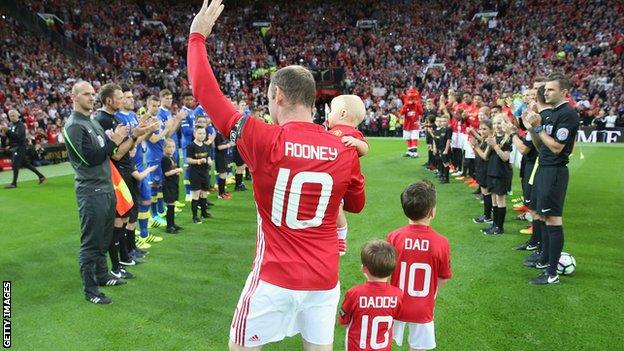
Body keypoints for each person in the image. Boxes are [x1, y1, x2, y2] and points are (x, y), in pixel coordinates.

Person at [188, 1, 366, 349]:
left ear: (278, 96)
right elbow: (356, 205)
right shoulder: (344, 149)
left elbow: (205, 93)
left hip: (273, 277)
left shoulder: (262, 137)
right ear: (313, 102)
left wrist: (197, 37)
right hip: (323, 279)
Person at [62, 81, 144, 304]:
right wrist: (114, 141)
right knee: (91, 241)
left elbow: (111, 153)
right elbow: (91, 157)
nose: (91, 97)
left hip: (106, 188)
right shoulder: (74, 126)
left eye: (92, 94)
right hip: (91, 191)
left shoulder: (91, 123)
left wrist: (129, 136)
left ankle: (102, 275)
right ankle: (90, 290)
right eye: (85, 94)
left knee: (105, 237)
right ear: (74, 97)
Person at [523, 75, 579, 285]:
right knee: (543, 217)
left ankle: (552, 273)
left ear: (564, 92)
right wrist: (532, 127)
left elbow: (556, 148)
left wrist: (538, 128)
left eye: (551, 90)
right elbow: (541, 147)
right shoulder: (549, 114)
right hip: (543, 169)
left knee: (553, 219)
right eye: (545, 90)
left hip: (555, 172)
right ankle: (545, 260)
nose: (545, 93)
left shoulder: (568, 115)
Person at [387, 181, 452, 351]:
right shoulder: (441, 242)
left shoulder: (394, 237)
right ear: (432, 211)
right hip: (423, 307)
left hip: (395, 303)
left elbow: (385, 271)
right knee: (419, 347)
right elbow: (442, 279)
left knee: (384, 342)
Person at [338, 240, 403, 351]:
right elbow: (396, 316)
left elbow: (343, 320)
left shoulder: (354, 294)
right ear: (392, 269)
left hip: (357, 347)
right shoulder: (398, 294)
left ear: (364, 268)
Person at [326, 94, 368, 256]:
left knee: (336, 208)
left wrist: (357, 144)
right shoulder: (330, 132)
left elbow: (365, 148)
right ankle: (334, 233)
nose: (328, 115)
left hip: (346, 180)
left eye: (330, 111)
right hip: (334, 178)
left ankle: (341, 236)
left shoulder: (352, 133)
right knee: (333, 208)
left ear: (342, 114)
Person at [482, 114, 513, 235]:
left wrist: (494, 145)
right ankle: (494, 225)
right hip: (491, 171)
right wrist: (490, 145)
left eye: (499, 123)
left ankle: (500, 227)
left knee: (500, 199)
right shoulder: (493, 137)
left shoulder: (507, 139)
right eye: (495, 124)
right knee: (494, 199)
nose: (497, 126)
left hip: (501, 173)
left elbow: (505, 157)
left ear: (505, 123)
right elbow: (486, 156)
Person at [1, 109, 45, 188]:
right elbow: (11, 137)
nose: (11, 117)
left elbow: (19, 137)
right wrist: (5, 132)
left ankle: (14, 184)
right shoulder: (10, 124)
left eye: (13, 115)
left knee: (15, 164)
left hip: (20, 147)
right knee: (26, 164)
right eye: (10, 116)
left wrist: (8, 131)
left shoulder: (20, 125)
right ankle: (41, 176)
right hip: (14, 146)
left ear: (17, 115)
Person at [186, 126, 213, 223]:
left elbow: (208, 157)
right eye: (200, 133)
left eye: (203, 133)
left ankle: (204, 213)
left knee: (204, 193)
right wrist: (198, 161)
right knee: (196, 195)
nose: (202, 135)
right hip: (195, 174)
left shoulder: (206, 146)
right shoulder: (191, 146)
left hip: (205, 173)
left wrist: (209, 161)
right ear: (194, 134)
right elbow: (188, 160)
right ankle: (194, 216)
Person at [470, 120, 494, 225]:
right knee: (484, 193)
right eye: (480, 129)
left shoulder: (490, 140)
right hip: (481, 168)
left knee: (487, 193)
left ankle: (488, 216)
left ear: (491, 130)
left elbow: (485, 156)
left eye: (485, 129)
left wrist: (476, 146)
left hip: (486, 169)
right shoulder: (484, 139)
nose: (482, 131)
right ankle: (486, 214)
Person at [162, 138, 184, 233]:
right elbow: (166, 173)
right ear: (164, 148)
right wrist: (177, 170)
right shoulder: (165, 159)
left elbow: (173, 169)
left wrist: (176, 172)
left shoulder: (172, 158)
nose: (172, 149)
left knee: (172, 205)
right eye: (169, 147)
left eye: (173, 147)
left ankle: (172, 224)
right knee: (170, 206)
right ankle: (169, 226)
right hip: (168, 186)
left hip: (174, 185)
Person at [400, 88, 423, 158]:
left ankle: (415, 153)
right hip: (407, 124)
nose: (412, 100)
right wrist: (406, 105)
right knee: (408, 138)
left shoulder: (417, 105)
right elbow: (401, 113)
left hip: (415, 124)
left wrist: (417, 104)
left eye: (413, 98)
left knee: (414, 138)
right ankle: (410, 152)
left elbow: (421, 112)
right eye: (411, 98)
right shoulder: (406, 105)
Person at [432, 115, 452, 183]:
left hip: (445, 148)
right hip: (441, 148)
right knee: (443, 162)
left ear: (448, 121)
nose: (443, 122)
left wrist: (446, 150)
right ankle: (443, 177)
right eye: (442, 121)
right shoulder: (442, 129)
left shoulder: (448, 129)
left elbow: (448, 140)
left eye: (445, 121)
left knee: (446, 163)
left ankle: (446, 179)